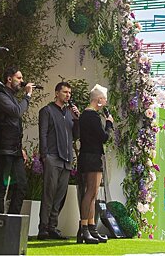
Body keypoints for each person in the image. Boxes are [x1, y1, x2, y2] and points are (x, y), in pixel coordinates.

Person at [37, 82, 80, 240]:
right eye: (64, 92)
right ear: (56, 93)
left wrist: (77, 119)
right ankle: (43, 228)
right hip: (52, 157)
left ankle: (52, 227)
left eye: (69, 92)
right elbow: (43, 134)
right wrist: (44, 155)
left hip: (67, 160)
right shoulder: (46, 111)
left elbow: (76, 136)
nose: (68, 95)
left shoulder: (70, 113)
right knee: (49, 193)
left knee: (60, 195)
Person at [0, 67, 33, 215]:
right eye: (19, 78)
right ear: (9, 79)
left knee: (21, 185)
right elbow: (16, 112)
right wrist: (27, 96)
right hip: (3, 147)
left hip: (15, 149)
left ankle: (13, 221)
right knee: (2, 187)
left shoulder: (13, 97)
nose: (21, 81)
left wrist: (20, 147)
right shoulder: (0, 95)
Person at [76, 84, 112, 244]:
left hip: (86, 155)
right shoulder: (93, 116)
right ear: (98, 100)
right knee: (90, 192)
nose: (105, 102)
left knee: (92, 194)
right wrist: (109, 124)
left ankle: (91, 227)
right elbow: (104, 137)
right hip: (92, 157)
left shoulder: (84, 115)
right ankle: (84, 228)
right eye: (104, 99)